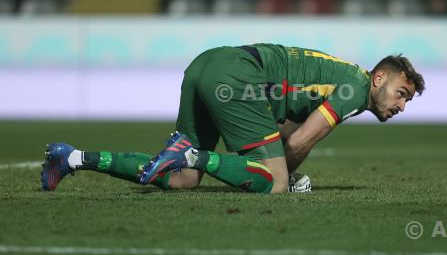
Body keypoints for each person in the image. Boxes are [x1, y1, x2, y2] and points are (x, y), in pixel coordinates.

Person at [41, 44, 425, 193]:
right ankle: (189, 154)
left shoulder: (338, 78)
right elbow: (299, 141)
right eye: (401, 94)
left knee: (183, 182)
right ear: (379, 79)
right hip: (237, 76)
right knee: (272, 183)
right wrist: (286, 179)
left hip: (206, 65)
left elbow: (286, 128)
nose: (401, 106)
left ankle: (72, 158)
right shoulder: (354, 90)